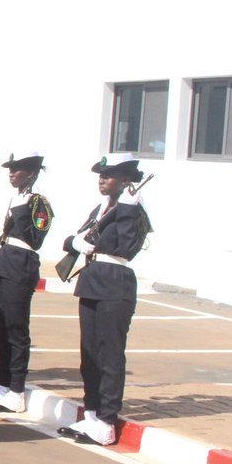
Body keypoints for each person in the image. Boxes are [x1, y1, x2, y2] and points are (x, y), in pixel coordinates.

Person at [57, 153, 151, 447]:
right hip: (92, 279)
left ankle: (108, 421)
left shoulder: (133, 210)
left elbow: (126, 246)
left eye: (108, 175)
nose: (102, 179)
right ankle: (93, 413)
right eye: (101, 174)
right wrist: (75, 242)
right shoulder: (101, 208)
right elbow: (80, 237)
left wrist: (125, 209)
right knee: (90, 355)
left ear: (125, 181)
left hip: (114, 282)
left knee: (109, 354)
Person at [0, 151, 54, 415]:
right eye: (10, 169)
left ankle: (17, 391)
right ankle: (4, 386)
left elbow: (36, 236)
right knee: (2, 330)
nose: (11, 173)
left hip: (20, 265)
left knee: (16, 330)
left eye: (17, 169)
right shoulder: (18, 198)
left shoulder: (37, 202)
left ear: (31, 173)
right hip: (6, 263)